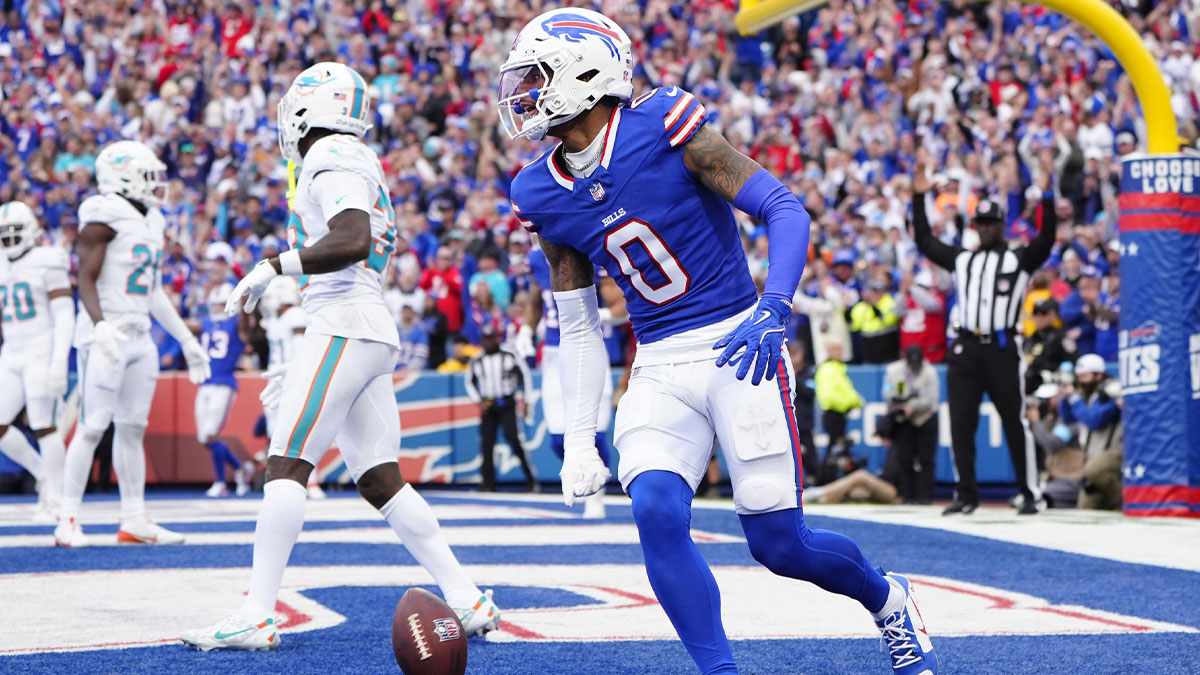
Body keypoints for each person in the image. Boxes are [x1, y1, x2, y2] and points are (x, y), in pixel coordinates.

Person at [499, 10, 936, 674]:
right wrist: (582, 438)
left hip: (739, 344)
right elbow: (581, 323)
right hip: (659, 360)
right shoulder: (539, 190)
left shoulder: (667, 126)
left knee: (780, 545)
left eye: (536, 78)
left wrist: (775, 306)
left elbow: (784, 207)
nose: (524, 95)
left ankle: (888, 599)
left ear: (585, 73)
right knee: (653, 507)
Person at [182, 63, 499, 651]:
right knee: (380, 480)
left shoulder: (329, 156)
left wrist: (273, 265)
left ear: (307, 109)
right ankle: (466, 596)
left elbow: (351, 239)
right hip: (361, 327)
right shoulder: (351, 156)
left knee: (286, 465)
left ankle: (255, 613)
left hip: (345, 322)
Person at [55, 141, 212, 548]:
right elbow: (85, 276)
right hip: (105, 334)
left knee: (132, 429)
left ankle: (134, 519)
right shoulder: (103, 211)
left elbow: (154, 290)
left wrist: (185, 338)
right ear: (123, 174)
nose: (156, 183)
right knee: (92, 426)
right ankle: (66, 519)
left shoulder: (153, 219)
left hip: (141, 335)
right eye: (148, 174)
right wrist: (99, 324)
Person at [911, 158, 1055, 516]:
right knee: (961, 422)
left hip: (1003, 347)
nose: (986, 228)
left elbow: (1048, 238)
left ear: (1002, 226)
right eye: (981, 223)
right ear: (975, 226)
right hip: (965, 348)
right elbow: (926, 242)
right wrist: (918, 199)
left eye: (992, 223)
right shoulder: (963, 259)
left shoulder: (1019, 259)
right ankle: (966, 494)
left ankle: (1029, 492)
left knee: (1014, 421)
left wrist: (1047, 194)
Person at [528, 242, 618, 517]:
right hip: (554, 354)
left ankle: (597, 493)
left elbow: (620, 308)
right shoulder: (534, 257)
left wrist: (591, 315)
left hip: (587, 346)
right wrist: (525, 329)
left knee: (595, 432)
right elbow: (535, 300)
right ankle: (584, 476)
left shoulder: (591, 248)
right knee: (557, 438)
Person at [0, 201, 74, 521]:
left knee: (43, 423)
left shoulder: (48, 259)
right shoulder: (2, 263)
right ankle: (44, 473)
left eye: (15, 234)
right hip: (12, 351)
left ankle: (55, 496)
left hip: (40, 349)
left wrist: (59, 360)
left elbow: (64, 313)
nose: (9, 242)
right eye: (4, 235)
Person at [258, 276, 323, 498]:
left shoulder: (295, 315)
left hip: (290, 376)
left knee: (298, 430)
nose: (267, 302)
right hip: (275, 378)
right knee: (276, 433)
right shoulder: (275, 320)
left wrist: (296, 377)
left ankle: (311, 482)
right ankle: (282, 481)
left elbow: (299, 349)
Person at [192, 283, 252, 498]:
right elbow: (185, 327)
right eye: (215, 304)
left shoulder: (237, 325)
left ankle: (220, 482)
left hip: (225, 383)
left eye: (222, 303)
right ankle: (240, 468)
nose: (218, 308)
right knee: (204, 438)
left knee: (210, 434)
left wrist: (243, 296)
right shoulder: (206, 323)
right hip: (205, 383)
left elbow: (245, 321)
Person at [464, 322, 536, 492]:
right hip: (488, 406)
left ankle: (530, 479)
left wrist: (525, 399)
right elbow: (469, 382)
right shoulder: (477, 359)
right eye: (485, 339)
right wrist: (478, 401)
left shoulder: (509, 354)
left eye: (491, 338)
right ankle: (487, 484)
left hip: (507, 403)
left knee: (513, 438)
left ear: (497, 338)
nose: (488, 342)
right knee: (487, 444)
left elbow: (524, 376)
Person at [1058, 354, 1123, 510]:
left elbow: (1094, 420)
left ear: (1098, 375)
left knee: (1095, 471)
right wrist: (1065, 396)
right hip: (1090, 457)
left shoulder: (1111, 391)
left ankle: (1121, 502)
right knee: (1084, 511)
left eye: (1084, 376)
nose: (1080, 381)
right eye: (1078, 376)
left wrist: (1073, 398)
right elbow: (1067, 418)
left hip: (1110, 456)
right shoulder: (1085, 395)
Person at [881, 346, 940, 505]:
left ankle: (924, 496)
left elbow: (931, 400)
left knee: (926, 459)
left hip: (925, 418)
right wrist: (896, 402)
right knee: (904, 458)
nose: (914, 369)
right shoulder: (893, 371)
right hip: (904, 420)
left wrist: (911, 406)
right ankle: (907, 495)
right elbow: (886, 390)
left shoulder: (930, 373)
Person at [814, 341, 864, 485]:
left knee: (838, 448)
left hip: (839, 414)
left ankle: (829, 480)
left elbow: (846, 391)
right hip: (833, 413)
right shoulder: (828, 370)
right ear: (829, 351)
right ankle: (824, 480)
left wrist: (855, 401)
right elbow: (828, 395)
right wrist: (848, 404)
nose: (840, 353)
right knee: (835, 448)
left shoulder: (837, 369)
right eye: (836, 350)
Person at [1022, 298, 1075, 395]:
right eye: (1036, 313)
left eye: (1043, 313)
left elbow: (1073, 363)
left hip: (1052, 386)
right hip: (1028, 386)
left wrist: (1057, 377)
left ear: (1052, 315)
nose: (1039, 317)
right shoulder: (1027, 340)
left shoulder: (1062, 338)